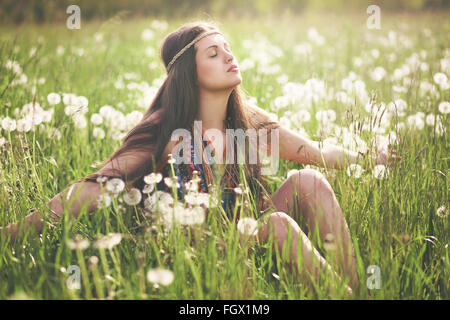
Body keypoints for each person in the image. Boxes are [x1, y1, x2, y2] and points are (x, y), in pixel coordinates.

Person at [1, 20, 400, 296]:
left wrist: (369, 155)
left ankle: (359, 293)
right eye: (213, 53)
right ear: (189, 73)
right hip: (192, 252)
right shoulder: (164, 127)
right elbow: (90, 190)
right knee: (278, 224)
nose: (229, 56)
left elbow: (314, 154)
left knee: (307, 182)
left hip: (245, 236)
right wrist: (15, 232)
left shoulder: (246, 120)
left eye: (228, 48)